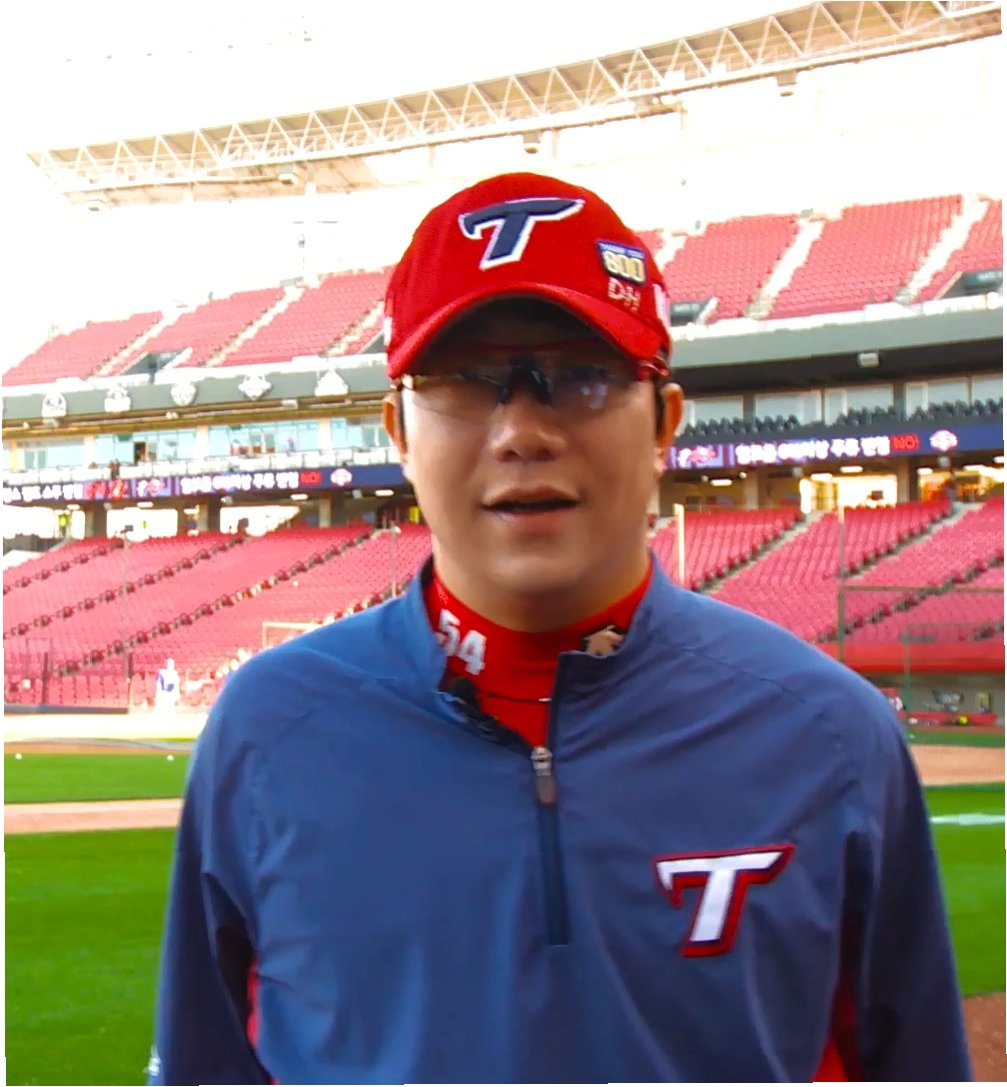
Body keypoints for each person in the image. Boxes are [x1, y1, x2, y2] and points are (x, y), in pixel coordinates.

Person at [149, 173, 971, 1083]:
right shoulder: (269, 728)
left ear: (662, 422)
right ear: (398, 432)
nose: (522, 432)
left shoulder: (828, 732)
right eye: (466, 382)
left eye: (581, 376)